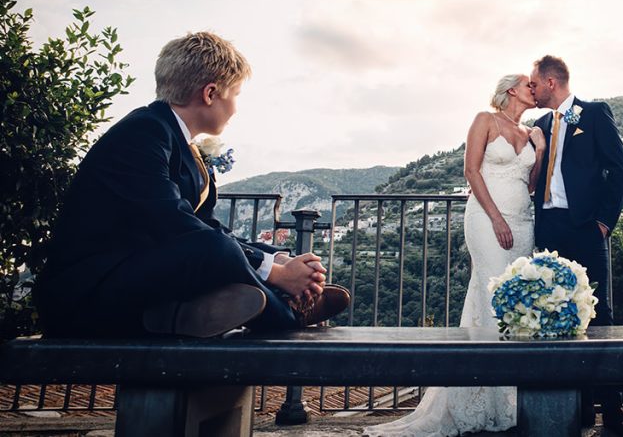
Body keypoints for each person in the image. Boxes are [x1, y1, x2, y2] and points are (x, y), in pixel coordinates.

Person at [35, 31, 350, 338]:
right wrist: (278, 273)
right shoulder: (143, 133)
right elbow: (173, 225)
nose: (236, 108)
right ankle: (288, 313)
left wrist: (274, 256)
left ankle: (186, 315)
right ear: (210, 93)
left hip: (135, 281)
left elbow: (206, 225)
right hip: (84, 299)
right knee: (215, 248)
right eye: (236, 94)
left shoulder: (176, 141)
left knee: (223, 244)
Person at [364, 74, 545, 437]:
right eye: (529, 84)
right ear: (511, 90)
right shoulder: (484, 119)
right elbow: (471, 170)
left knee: (513, 303)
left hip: (523, 221)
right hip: (485, 218)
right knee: (492, 295)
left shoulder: (531, 133)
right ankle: (484, 395)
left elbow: (531, 184)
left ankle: (507, 398)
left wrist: (539, 151)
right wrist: (495, 218)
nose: (534, 89)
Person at [529, 55, 623, 437]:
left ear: (551, 82)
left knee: (599, 314)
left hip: (585, 229)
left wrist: (605, 222)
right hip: (548, 228)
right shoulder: (539, 125)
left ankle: (613, 411)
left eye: (535, 83)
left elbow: (618, 168)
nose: (532, 89)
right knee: (556, 313)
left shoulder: (592, 113)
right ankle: (577, 406)